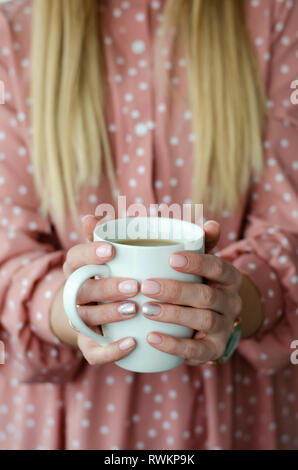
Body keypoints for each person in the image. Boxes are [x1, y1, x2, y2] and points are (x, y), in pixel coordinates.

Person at [0, 0, 297, 450]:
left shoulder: (275, 16)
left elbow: (290, 225)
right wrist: (71, 309)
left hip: (238, 418)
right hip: (65, 423)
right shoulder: (15, 28)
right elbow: (7, 252)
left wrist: (235, 302)